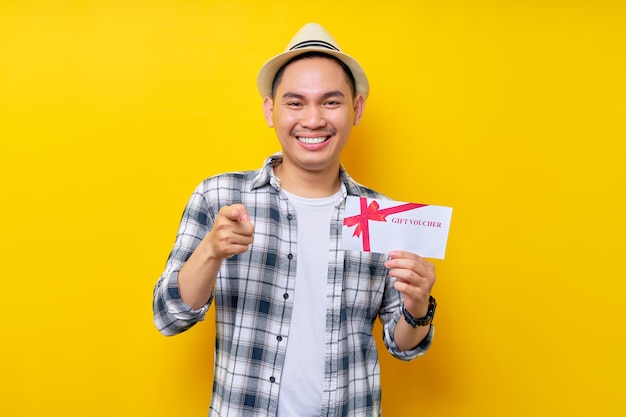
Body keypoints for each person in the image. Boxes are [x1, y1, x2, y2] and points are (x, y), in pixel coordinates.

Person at [153, 23, 438, 417]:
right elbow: (168, 317)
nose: (314, 119)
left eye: (331, 102)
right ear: (271, 110)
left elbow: (404, 346)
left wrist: (418, 305)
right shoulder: (219, 197)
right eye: (295, 102)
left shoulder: (383, 215)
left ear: (356, 109)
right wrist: (211, 251)